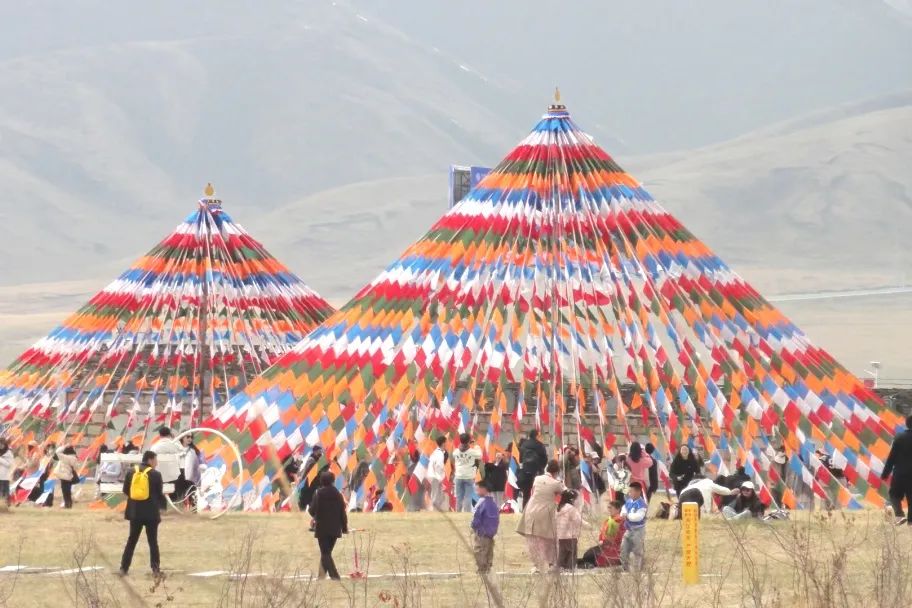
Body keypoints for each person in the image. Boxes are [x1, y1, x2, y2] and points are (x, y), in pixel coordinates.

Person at [119, 451, 164, 575]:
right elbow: (159, 494)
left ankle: (124, 567)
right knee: (153, 542)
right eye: (155, 460)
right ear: (150, 460)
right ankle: (155, 569)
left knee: (132, 540)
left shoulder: (131, 471)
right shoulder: (156, 474)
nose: (156, 462)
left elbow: (126, 490)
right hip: (151, 513)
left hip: (135, 512)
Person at [516, 459, 564, 573]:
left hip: (531, 509)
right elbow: (563, 492)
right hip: (545, 511)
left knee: (533, 538)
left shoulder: (537, 479)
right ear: (556, 472)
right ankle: (552, 564)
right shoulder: (556, 483)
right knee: (549, 539)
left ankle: (536, 565)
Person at [308, 471, 348, 580]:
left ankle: (335, 576)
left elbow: (311, 511)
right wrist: (344, 528)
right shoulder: (338, 495)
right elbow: (342, 513)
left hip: (322, 528)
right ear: (333, 481)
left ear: (321, 481)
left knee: (325, 553)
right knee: (327, 553)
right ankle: (321, 576)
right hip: (335, 529)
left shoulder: (318, 493)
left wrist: (316, 516)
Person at [881, 415, 912, 525]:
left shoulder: (899, 437)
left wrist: (885, 474)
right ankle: (910, 524)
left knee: (894, 494)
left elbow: (891, 457)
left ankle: (899, 514)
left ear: (907, 424)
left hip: (900, 473)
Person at [578, 499, 625, 568]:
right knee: (588, 554)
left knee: (591, 555)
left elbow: (614, 537)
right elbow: (602, 533)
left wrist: (604, 541)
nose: (609, 510)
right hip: (604, 545)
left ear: (618, 510)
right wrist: (601, 540)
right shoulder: (609, 520)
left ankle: (587, 564)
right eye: (608, 508)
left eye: (611, 508)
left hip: (612, 547)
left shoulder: (618, 521)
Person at [470, 480, 500, 574]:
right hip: (491, 532)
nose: (476, 492)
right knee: (489, 549)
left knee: (479, 550)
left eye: (477, 490)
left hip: (481, 532)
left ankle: (482, 569)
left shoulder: (481, 502)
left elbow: (477, 516)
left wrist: (473, 526)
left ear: (483, 489)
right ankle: (488, 566)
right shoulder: (494, 503)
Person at [619, 481, 648, 572]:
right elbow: (623, 509)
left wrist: (627, 516)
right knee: (623, 549)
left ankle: (637, 570)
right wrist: (623, 513)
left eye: (631, 491)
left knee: (637, 550)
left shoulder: (642, 504)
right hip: (628, 529)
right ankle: (625, 568)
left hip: (638, 530)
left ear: (638, 492)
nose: (629, 493)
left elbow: (638, 517)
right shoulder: (628, 502)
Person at [518, 430, 547, 509]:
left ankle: (525, 512)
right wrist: (541, 468)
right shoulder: (540, 445)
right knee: (537, 494)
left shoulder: (524, 445)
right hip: (537, 473)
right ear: (536, 436)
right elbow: (545, 459)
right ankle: (536, 512)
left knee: (526, 495)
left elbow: (520, 459)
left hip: (525, 472)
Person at [453, 433, 482, 513]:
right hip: (469, 477)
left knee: (459, 496)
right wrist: (476, 446)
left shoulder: (456, 452)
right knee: (468, 496)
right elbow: (480, 455)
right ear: (469, 441)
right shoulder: (472, 452)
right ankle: (466, 512)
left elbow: (455, 453)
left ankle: (458, 512)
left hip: (458, 476)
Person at [555, 489, 582, 570]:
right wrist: (588, 525)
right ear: (572, 499)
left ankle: (560, 568)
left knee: (562, 554)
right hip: (571, 536)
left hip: (561, 536)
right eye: (577, 499)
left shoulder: (559, 507)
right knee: (571, 554)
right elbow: (578, 520)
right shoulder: (571, 509)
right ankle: (570, 569)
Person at [297, 446, 326, 512]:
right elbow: (311, 472)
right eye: (319, 451)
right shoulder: (312, 460)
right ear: (315, 451)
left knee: (312, 504)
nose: (321, 453)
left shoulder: (316, 460)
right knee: (303, 504)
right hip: (308, 485)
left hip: (312, 486)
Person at [182, 436, 203, 512]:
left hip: (191, 477)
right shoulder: (177, 449)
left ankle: (193, 510)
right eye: (187, 437)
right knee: (182, 495)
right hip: (180, 476)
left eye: (191, 437)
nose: (190, 439)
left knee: (192, 494)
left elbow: (199, 464)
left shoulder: (194, 450)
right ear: (182, 438)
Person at [428, 436, 449, 511]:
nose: (447, 443)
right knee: (435, 493)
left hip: (434, 475)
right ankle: (433, 509)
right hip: (436, 475)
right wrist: (439, 476)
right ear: (443, 443)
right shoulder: (439, 453)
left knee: (439, 494)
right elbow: (439, 466)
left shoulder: (436, 452)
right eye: (446, 442)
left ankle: (437, 509)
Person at [0, 438, 13, 507]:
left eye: (2, 444)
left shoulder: (9, 453)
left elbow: (9, 464)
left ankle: (5, 507)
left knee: (4, 493)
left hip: (4, 476)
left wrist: (0, 459)